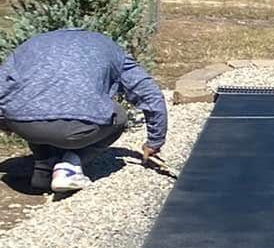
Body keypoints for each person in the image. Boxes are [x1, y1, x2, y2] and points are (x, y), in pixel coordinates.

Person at [0, 27, 168, 195]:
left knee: (35, 109)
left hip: (25, 124)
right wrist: (154, 141)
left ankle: (43, 169)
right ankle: (70, 166)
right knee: (120, 116)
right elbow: (149, 95)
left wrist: (7, 122)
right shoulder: (110, 48)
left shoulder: (30, 44)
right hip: (76, 128)